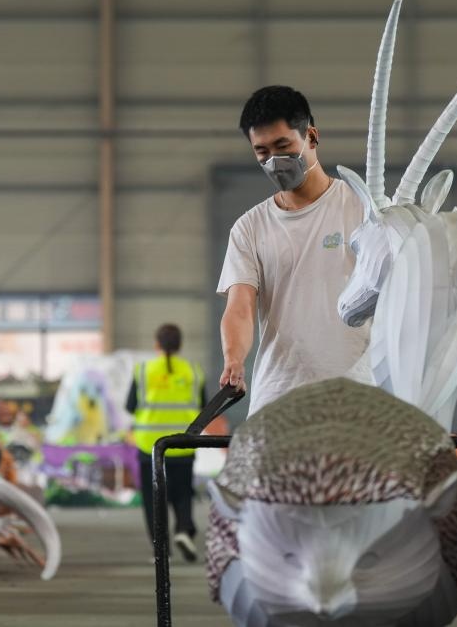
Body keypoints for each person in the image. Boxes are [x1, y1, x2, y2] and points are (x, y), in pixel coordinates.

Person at [217, 85, 372, 415]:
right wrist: (233, 358)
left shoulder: (364, 211)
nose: (274, 161)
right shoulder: (249, 228)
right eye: (262, 151)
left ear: (311, 137)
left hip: (358, 397)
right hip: (277, 399)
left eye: (283, 146)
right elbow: (240, 307)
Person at [125, 323, 205, 562]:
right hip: (184, 443)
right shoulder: (193, 371)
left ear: (156, 344)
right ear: (180, 345)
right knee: (183, 492)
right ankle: (184, 529)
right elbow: (203, 406)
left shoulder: (142, 370)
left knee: (153, 498)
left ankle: (161, 550)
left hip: (150, 445)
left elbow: (130, 406)